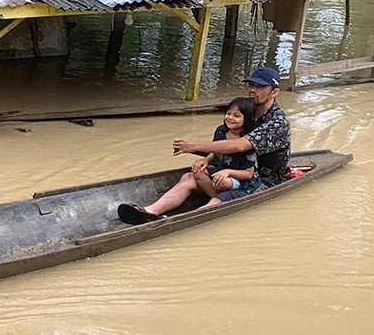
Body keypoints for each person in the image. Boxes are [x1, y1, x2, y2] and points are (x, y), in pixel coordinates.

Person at [120, 67, 291, 224]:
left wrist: (194, 147)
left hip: (260, 180)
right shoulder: (247, 111)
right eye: (252, 85)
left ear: (274, 92)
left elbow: (240, 146)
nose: (253, 90)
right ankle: (150, 211)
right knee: (189, 177)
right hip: (233, 167)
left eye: (260, 87)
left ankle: (190, 218)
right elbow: (225, 141)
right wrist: (208, 158)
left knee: (222, 193)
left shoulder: (277, 122)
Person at [119, 97, 261, 223]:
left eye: (236, 115)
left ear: (246, 119)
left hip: (241, 184)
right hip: (218, 177)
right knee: (191, 174)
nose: (230, 118)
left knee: (221, 185)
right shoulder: (221, 131)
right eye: (228, 113)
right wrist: (205, 160)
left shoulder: (248, 140)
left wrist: (227, 172)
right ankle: (150, 211)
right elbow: (217, 150)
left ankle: (196, 214)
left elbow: (248, 173)